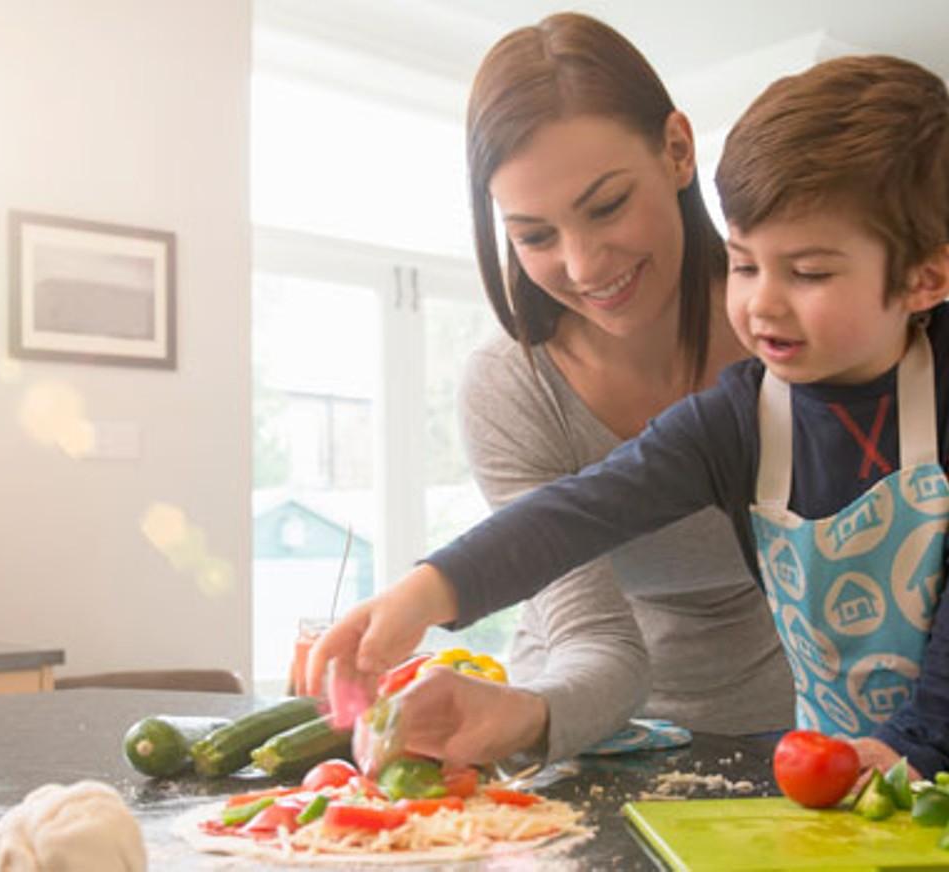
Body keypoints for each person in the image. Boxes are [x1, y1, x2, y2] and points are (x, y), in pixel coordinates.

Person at [311, 52, 949, 779]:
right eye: (744, 264)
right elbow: (580, 511)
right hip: (837, 772)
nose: (762, 304)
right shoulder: (738, 417)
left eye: (808, 273)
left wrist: (914, 747)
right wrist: (424, 591)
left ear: (926, 278)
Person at [447, 11, 793, 764]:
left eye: (606, 206)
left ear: (677, 150)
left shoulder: (790, 328)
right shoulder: (511, 386)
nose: (583, 264)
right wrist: (524, 717)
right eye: (535, 235)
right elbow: (596, 640)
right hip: (578, 730)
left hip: (791, 735)